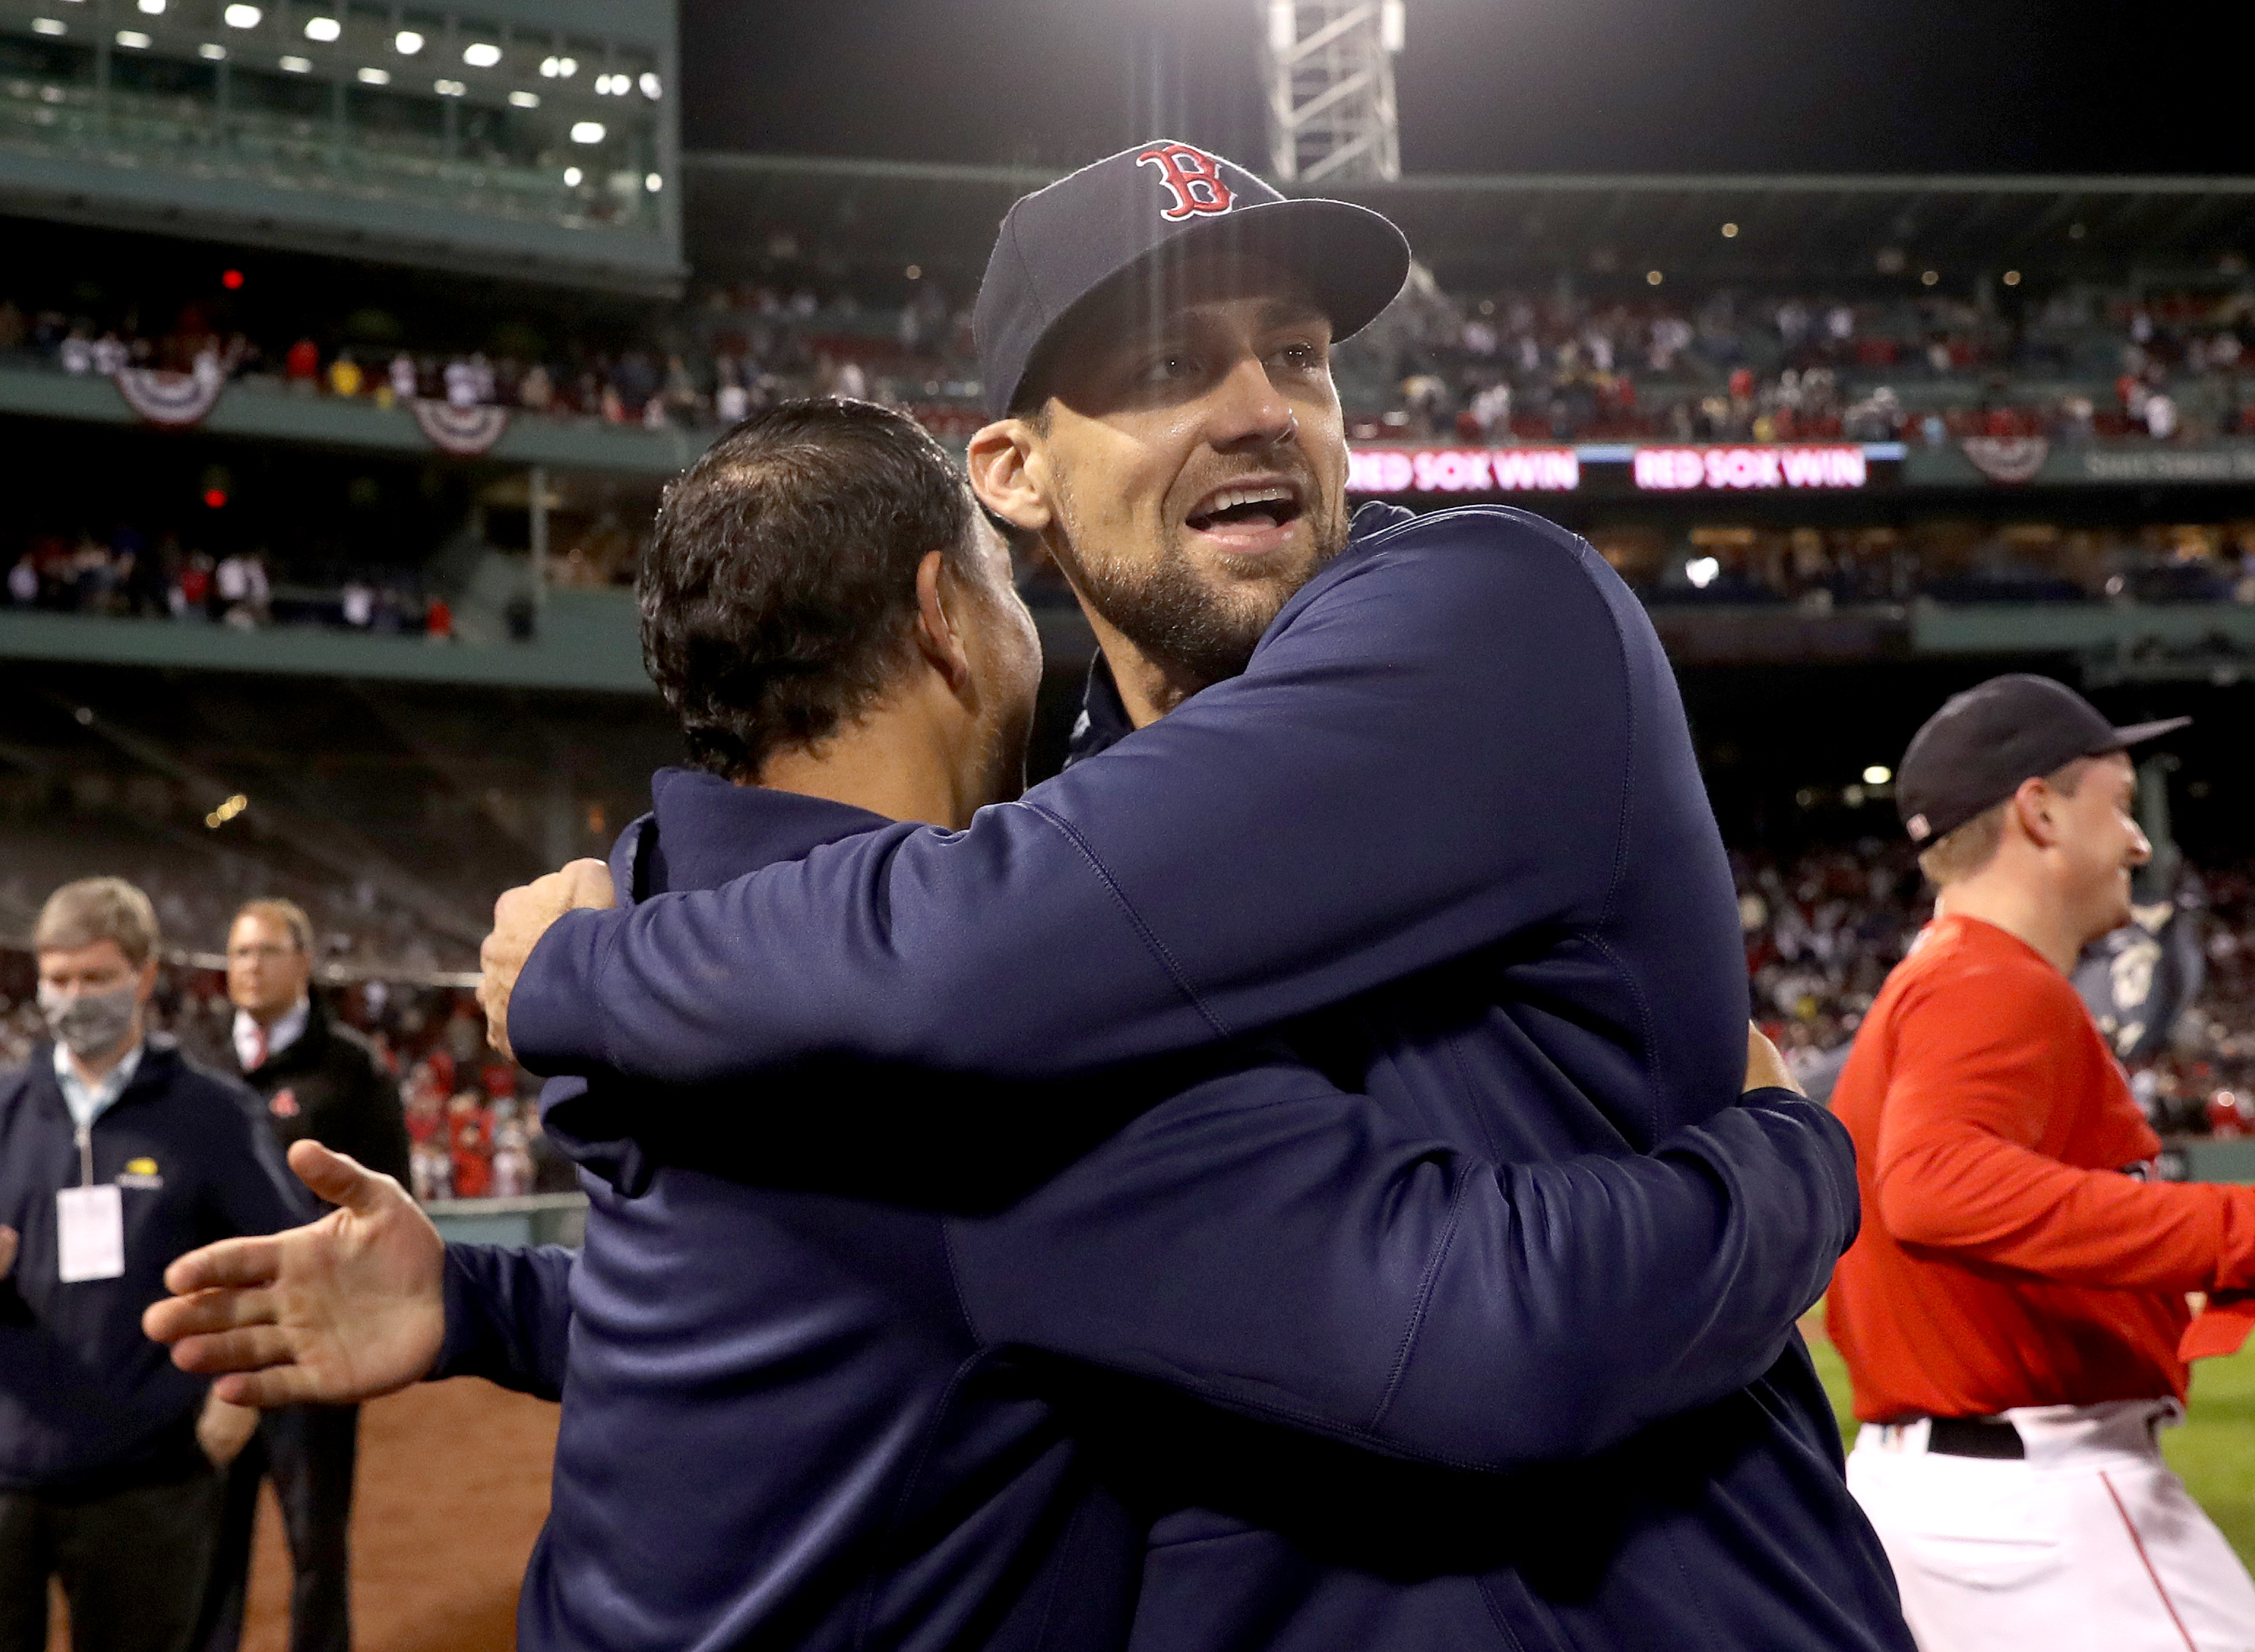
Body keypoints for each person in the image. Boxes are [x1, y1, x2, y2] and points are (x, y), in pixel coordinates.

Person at [150, 397, 1878, 1652]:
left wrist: (482, 1292)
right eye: (1001, 578)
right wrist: (1788, 1148)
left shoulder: (669, 906)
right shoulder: (991, 1063)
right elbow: (1507, 1325)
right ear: (939, 616)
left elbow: (840, 1306)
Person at [471, 140, 1906, 1648]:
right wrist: (475, 1302)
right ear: (1012, 473)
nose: (1258, 407)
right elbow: (959, 1257)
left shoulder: (1484, 621)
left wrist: (590, 963)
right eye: (1168, 362)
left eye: (1295, 354)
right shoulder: (1047, 816)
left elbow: (970, 955)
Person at [1827, 674, 2255, 1652]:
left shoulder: (1928, 984)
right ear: (2039, 811)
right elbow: (1934, 1188)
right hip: (2039, 1516)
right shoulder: (1988, 981)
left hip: (1937, 1497)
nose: (2140, 844)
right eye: (2122, 806)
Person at [0, 879, 304, 1652]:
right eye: (58, 979)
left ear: (142, 976)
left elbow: (286, 1262)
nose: (74, 997)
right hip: (6, 1477)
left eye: (95, 976)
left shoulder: (212, 1115)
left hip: (150, 1477)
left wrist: (236, 1400)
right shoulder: (3, 1109)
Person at [192, 901, 411, 1652]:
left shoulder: (352, 1068)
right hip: (214, 1343)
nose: (247, 965)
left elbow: (390, 1202)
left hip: (314, 1342)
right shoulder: (195, 1061)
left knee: (316, 1540)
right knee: (207, 1547)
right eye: (237, 951)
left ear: (303, 961)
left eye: (264, 950)